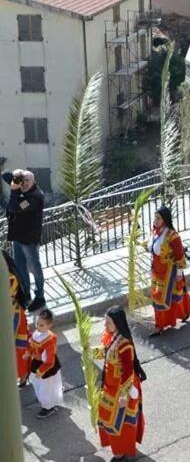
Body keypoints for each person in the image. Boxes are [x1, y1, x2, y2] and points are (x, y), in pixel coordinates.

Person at [95, 306, 146, 461]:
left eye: (108, 323)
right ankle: (119, 449)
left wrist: (124, 394)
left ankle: (121, 452)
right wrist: (88, 351)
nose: (105, 326)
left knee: (120, 423)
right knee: (109, 420)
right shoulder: (111, 337)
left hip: (122, 389)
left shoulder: (125, 345)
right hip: (110, 387)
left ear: (117, 323)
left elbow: (128, 371)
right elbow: (105, 352)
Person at [146, 206, 190, 335]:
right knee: (168, 296)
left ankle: (159, 325)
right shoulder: (154, 232)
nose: (155, 220)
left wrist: (178, 273)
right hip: (157, 271)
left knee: (163, 297)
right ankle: (181, 314)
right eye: (155, 217)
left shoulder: (172, 236)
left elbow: (179, 256)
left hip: (169, 273)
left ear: (165, 220)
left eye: (158, 218)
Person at [4, 169, 46, 311]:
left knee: (34, 268)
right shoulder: (23, 192)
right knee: (20, 268)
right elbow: (5, 174)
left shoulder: (35, 196)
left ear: (34, 181)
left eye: (28, 180)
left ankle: (40, 296)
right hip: (18, 237)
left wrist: (14, 191)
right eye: (23, 180)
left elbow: (15, 208)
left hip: (29, 240)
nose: (25, 183)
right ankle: (25, 294)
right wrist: (15, 178)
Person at [24, 308, 62, 417]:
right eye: (37, 323)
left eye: (41, 325)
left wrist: (41, 370)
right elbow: (32, 345)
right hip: (37, 363)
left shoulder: (50, 339)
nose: (38, 326)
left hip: (46, 366)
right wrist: (28, 353)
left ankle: (48, 407)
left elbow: (49, 360)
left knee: (47, 386)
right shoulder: (37, 334)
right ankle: (46, 400)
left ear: (49, 325)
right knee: (38, 384)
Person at [6, 250, 30, 387]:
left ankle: (22, 375)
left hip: (11, 314)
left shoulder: (8, 277)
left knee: (18, 347)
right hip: (13, 312)